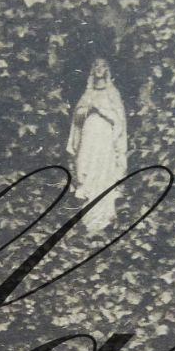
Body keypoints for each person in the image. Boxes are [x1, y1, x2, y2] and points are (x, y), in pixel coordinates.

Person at [66, 56, 129, 233]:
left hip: (104, 139)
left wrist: (100, 110)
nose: (99, 68)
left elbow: (119, 121)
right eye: (96, 66)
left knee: (103, 172)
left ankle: (102, 220)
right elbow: (77, 120)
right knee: (85, 168)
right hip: (88, 138)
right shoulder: (87, 94)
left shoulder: (113, 93)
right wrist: (87, 109)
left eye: (103, 66)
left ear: (107, 70)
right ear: (92, 70)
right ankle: (88, 220)